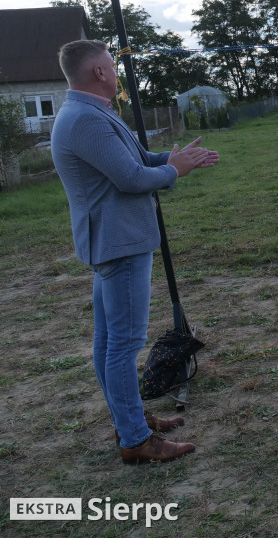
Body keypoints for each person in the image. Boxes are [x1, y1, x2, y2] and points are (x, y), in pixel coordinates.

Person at [50, 40, 219, 464]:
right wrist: (171, 171)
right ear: (100, 73)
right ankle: (135, 439)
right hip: (119, 244)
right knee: (122, 345)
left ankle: (130, 420)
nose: (117, 69)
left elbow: (141, 160)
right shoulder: (85, 120)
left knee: (109, 341)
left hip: (113, 240)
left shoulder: (94, 113)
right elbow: (129, 178)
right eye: (112, 63)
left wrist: (176, 160)